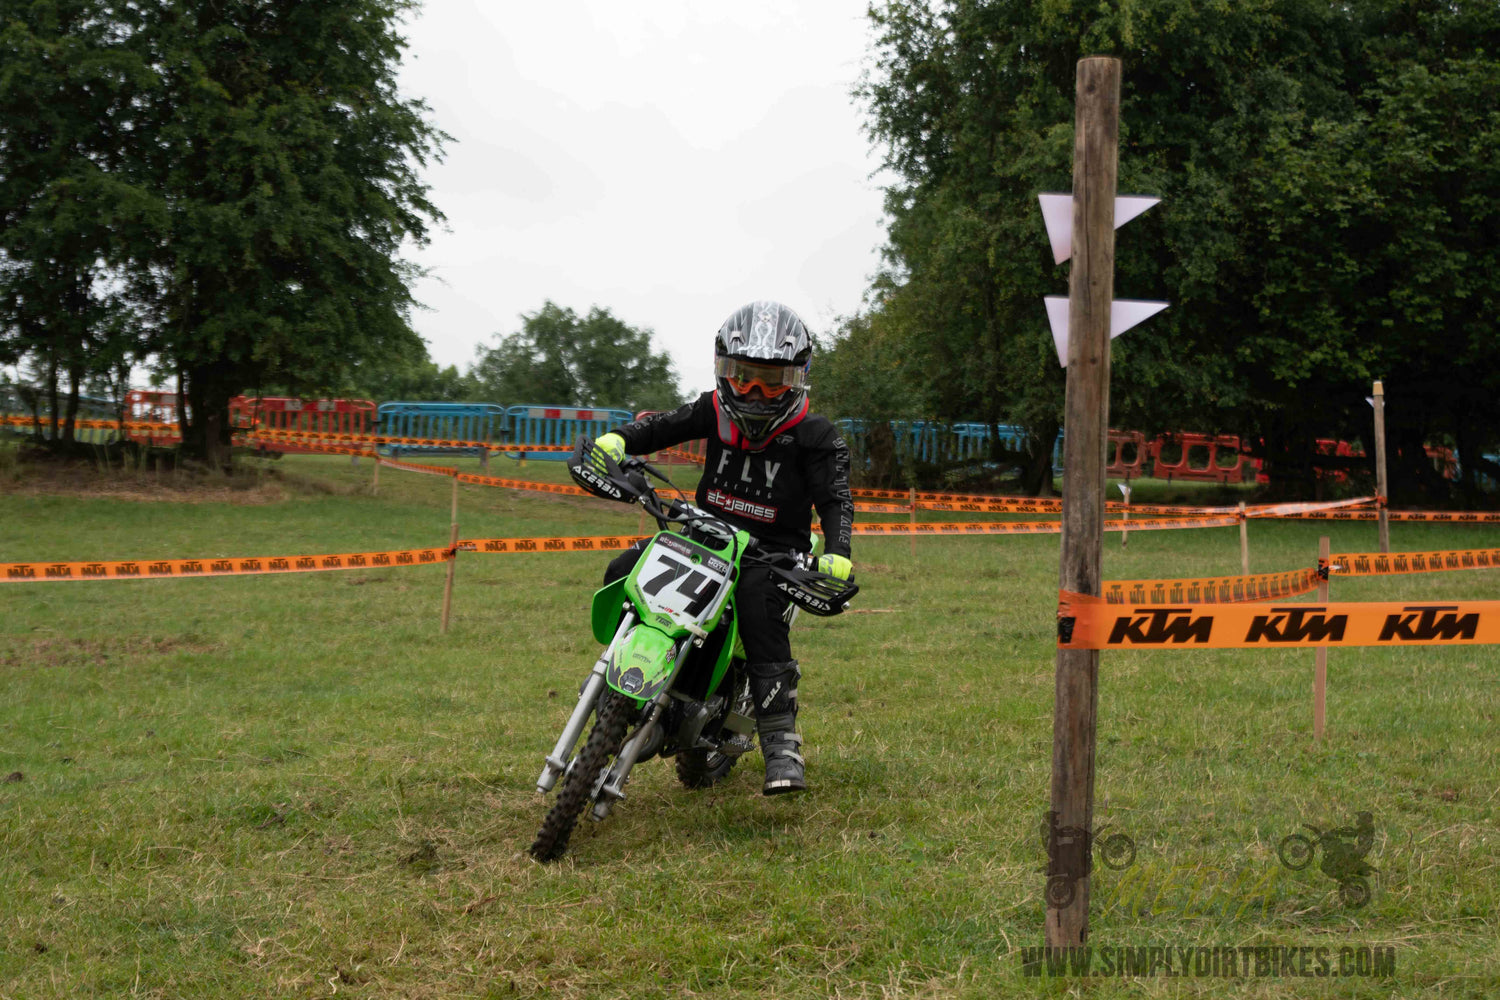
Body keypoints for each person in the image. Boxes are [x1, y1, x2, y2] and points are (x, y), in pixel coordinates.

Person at [589, 300, 854, 795]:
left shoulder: (816, 435)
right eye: (743, 375)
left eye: (771, 380)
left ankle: (780, 741)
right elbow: (661, 427)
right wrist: (618, 441)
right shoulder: (712, 409)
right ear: (722, 369)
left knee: (757, 604)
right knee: (625, 566)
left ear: (798, 378)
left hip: (771, 551)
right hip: (701, 532)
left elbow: (835, 498)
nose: (754, 391)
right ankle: (624, 680)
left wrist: (838, 550)